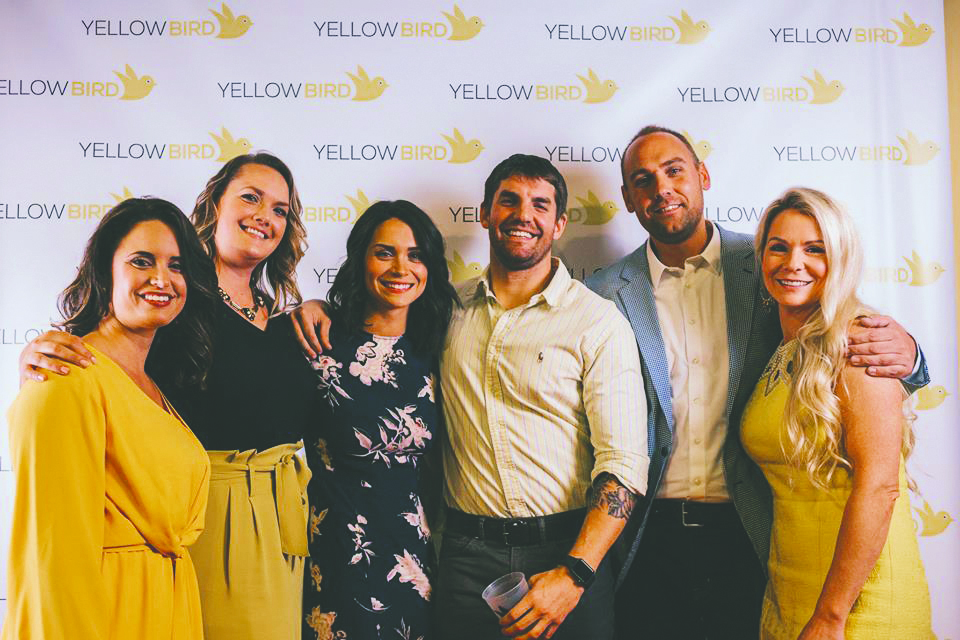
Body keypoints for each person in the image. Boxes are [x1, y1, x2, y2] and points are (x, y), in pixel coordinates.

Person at [584, 125, 928, 639]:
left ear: (702, 175)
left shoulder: (770, 262)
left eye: (675, 171)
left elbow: (845, 332)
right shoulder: (604, 290)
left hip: (751, 529)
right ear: (629, 200)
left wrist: (913, 356)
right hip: (651, 537)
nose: (662, 189)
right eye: (643, 180)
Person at [294, 154, 649, 640]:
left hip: (564, 555)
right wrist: (314, 305)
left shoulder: (597, 322)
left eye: (540, 204)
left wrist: (576, 573)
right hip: (464, 559)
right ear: (484, 213)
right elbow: (376, 333)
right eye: (509, 200)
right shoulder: (443, 312)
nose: (524, 215)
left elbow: (624, 466)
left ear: (560, 223)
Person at [18, 153, 317, 640]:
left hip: (282, 524)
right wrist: (37, 352)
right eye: (250, 197)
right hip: (205, 522)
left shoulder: (286, 318)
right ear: (213, 205)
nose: (265, 215)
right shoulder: (178, 304)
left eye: (281, 209)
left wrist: (318, 306)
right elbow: (103, 352)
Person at [4, 198, 217, 639]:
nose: (162, 279)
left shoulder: (157, 385)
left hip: (169, 609)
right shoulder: (64, 377)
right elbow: (51, 562)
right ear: (106, 271)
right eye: (142, 261)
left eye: (176, 266)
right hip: (110, 614)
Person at [741, 187, 932, 639]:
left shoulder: (862, 341)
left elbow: (881, 485)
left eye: (814, 249)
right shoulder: (783, 345)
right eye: (779, 247)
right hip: (792, 591)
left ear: (841, 259)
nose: (793, 263)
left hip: (856, 604)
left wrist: (831, 616)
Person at [301, 200, 459, 640]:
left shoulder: (438, 349)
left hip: (414, 555)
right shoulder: (318, 343)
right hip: (334, 550)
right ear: (360, 259)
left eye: (415, 255)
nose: (400, 267)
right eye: (384, 252)